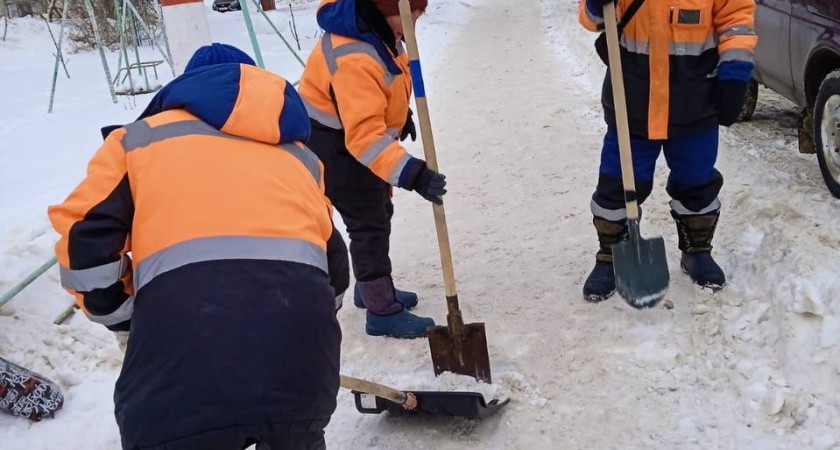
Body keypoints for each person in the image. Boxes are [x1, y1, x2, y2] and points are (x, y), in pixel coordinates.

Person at [49, 44, 349, 450]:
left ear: (186, 88)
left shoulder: (136, 142)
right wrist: (296, 322)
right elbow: (333, 262)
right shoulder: (302, 159)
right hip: (303, 372)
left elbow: (85, 243)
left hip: (179, 375)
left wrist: (123, 317)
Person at [578, 0, 757, 301]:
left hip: (695, 98)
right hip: (632, 100)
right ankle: (611, 253)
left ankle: (697, 250)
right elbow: (591, 19)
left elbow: (736, 19)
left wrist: (736, 72)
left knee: (696, 179)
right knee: (618, 181)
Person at [299, 0, 445, 338]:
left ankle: (370, 287)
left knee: (379, 210)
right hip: (334, 148)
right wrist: (414, 174)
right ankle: (381, 311)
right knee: (369, 223)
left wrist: (400, 115)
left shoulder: (380, 33)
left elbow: (386, 84)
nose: (413, 26)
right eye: (408, 17)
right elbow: (364, 137)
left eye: (418, 17)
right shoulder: (355, 56)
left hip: (346, 137)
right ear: (385, 9)